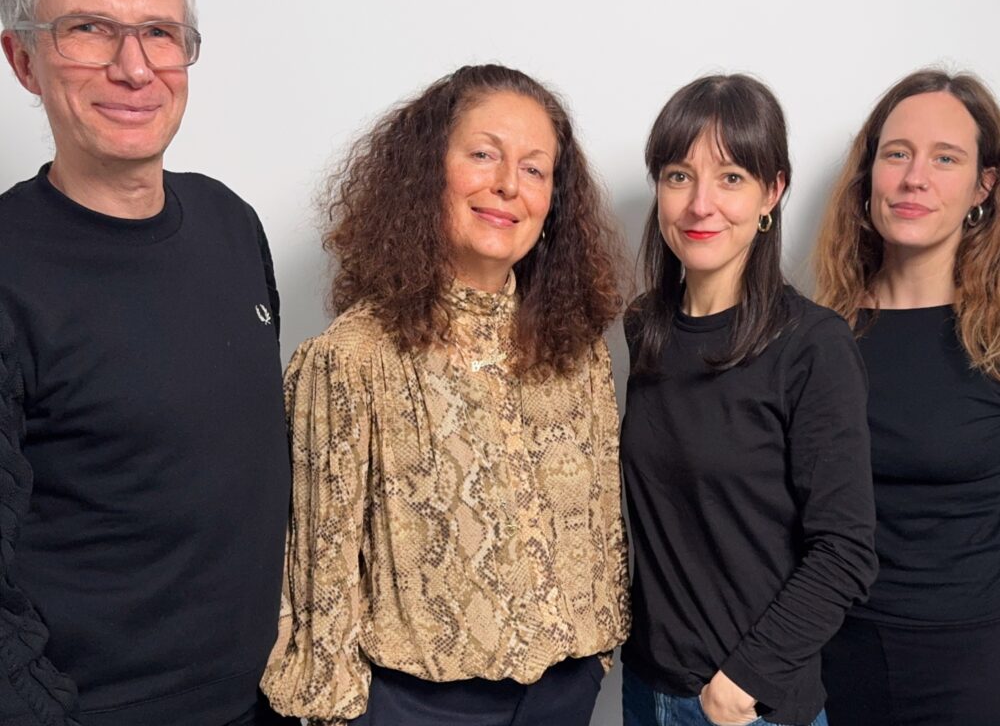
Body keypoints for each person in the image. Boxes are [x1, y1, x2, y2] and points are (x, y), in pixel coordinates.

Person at [261, 64, 630, 726]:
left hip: (563, 697)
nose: (507, 185)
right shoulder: (352, 360)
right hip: (421, 708)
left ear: (554, 204)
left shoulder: (579, 355)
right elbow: (319, 577)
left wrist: (594, 654)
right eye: (484, 154)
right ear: (426, 173)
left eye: (535, 169)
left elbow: (601, 528)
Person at [0, 0, 293, 724]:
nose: (134, 68)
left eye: (159, 33)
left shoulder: (232, 224)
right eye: (88, 29)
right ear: (21, 57)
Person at [619, 74, 878, 726]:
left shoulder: (812, 344)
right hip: (644, 690)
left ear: (773, 192)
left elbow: (846, 550)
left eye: (730, 178)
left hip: (743, 706)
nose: (701, 204)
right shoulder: (645, 327)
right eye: (680, 176)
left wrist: (739, 684)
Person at [815, 70, 1000, 726]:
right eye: (897, 154)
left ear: (984, 185)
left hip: (971, 671)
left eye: (945, 159)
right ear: (869, 175)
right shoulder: (818, 333)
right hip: (827, 664)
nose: (915, 177)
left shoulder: (995, 339)